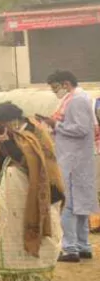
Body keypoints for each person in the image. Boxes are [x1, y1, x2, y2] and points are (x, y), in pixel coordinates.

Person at [0, 102, 65, 281]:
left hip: (42, 196)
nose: (0, 128)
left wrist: (7, 144)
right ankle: (21, 280)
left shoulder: (34, 133)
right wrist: (3, 144)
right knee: (16, 235)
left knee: (42, 235)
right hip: (19, 198)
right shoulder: (14, 135)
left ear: (12, 121)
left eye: (2, 124)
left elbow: (34, 163)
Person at [40, 70, 99, 262]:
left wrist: (55, 125)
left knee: (69, 204)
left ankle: (71, 248)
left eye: (54, 87)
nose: (53, 91)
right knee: (79, 204)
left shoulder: (77, 100)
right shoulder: (73, 99)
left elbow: (81, 128)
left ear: (65, 83)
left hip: (74, 159)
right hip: (75, 157)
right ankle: (83, 246)